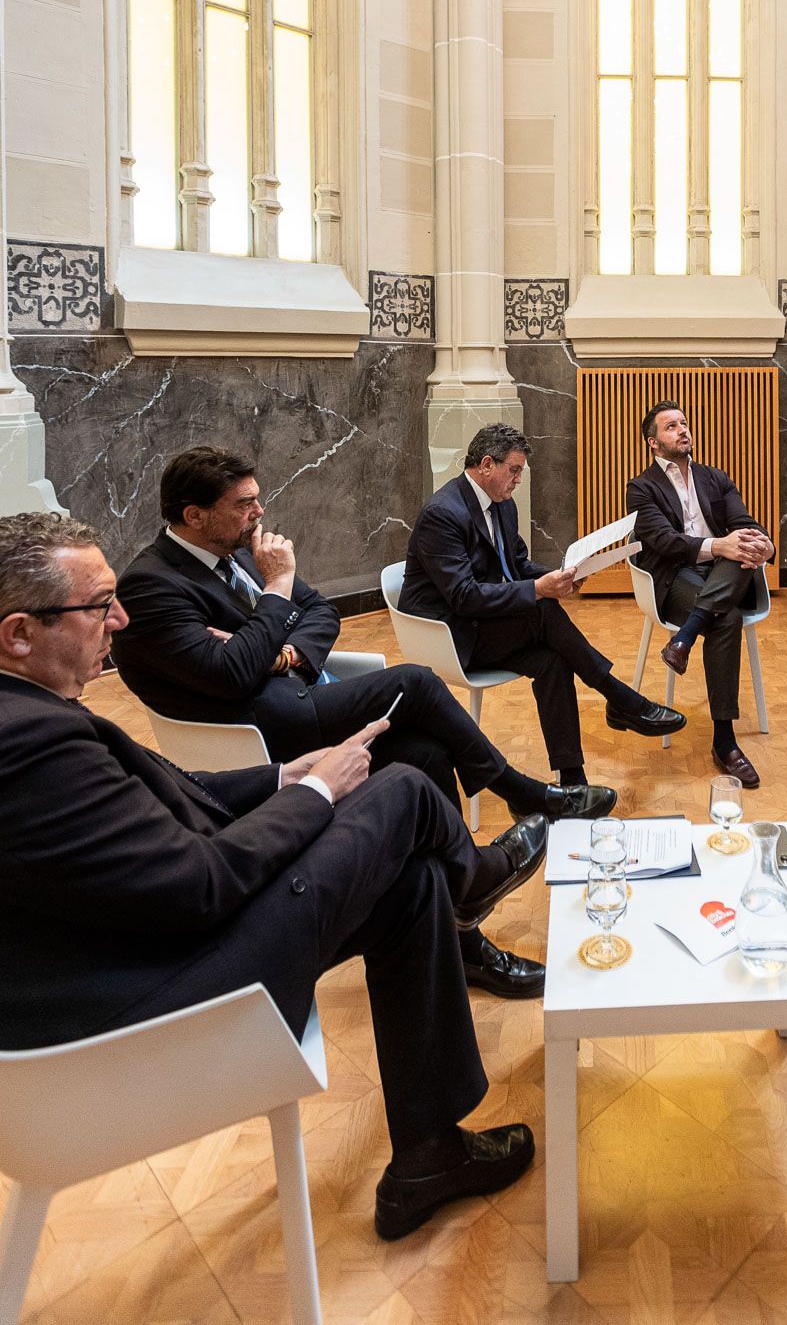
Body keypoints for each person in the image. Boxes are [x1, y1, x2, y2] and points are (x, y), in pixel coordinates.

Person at [0, 512, 547, 1242]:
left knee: (410, 885)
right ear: (19, 632)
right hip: (164, 1008)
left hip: (148, 951)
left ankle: (428, 1154)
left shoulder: (25, 715)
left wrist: (286, 774)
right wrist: (314, 792)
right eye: (100, 606)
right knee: (405, 787)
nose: (120, 620)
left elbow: (170, 792)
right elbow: (200, 886)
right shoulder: (29, 742)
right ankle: (475, 880)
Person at [112, 445, 611, 1001]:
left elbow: (322, 612)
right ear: (193, 515)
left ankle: (462, 930)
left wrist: (282, 655)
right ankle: (520, 794)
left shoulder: (237, 552)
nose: (259, 514)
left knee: (426, 753)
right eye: (243, 504)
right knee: (418, 682)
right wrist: (277, 594)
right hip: (259, 729)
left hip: (292, 691)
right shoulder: (151, 585)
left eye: (257, 499)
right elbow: (231, 676)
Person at [401, 423, 685, 785]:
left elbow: (517, 564)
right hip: (448, 634)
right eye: (514, 470)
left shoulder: (502, 506)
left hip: (481, 625)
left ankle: (572, 780)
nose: (518, 480)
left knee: (552, 660)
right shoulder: (442, 513)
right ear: (487, 464)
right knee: (542, 609)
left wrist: (562, 576)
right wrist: (539, 589)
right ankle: (619, 697)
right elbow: (464, 596)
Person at [626, 401, 773, 788]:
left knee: (740, 549)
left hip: (725, 572)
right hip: (678, 577)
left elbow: (743, 523)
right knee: (728, 617)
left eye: (684, 423)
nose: (682, 430)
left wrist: (766, 545)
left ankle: (685, 638)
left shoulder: (714, 477)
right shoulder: (642, 488)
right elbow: (665, 541)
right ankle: (725, 742)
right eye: (671, 426)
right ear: (653, 443)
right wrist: (719, 546)